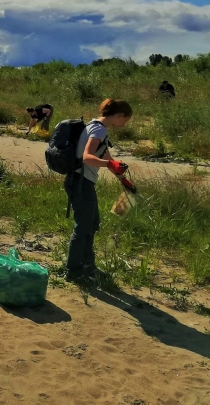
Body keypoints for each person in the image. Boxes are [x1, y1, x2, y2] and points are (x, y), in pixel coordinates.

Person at [64, 99, 133, 283]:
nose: (124, 124)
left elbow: (107, 157)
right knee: (83, 227)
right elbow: (87, 157)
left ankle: (88, 265)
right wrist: (110, 163)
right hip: (80, 183)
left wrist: (123, 180)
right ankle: (73, 271)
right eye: (125, 120)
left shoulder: (97, 127)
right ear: (119, 115)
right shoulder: (99, 129)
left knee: (92, 224)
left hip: (81, 182)